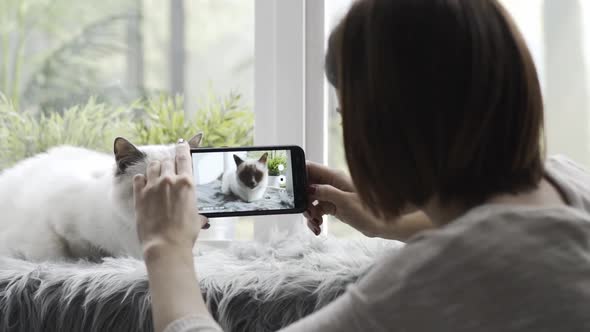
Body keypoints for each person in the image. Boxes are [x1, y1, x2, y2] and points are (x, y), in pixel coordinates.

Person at [133, 0, 590, 331]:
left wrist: (166, 247)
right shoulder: (569, 182)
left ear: (385, 131)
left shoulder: (420, 288)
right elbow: (504, 235)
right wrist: (396, 216)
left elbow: (478, 262)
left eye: (345, 117)